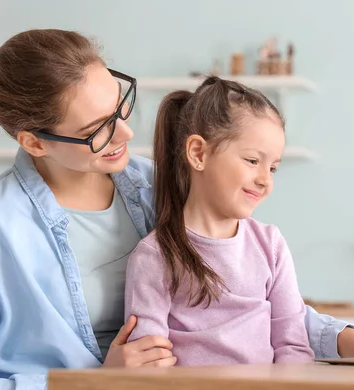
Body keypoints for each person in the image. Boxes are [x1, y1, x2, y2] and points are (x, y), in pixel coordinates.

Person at [0, 29, 354, 390]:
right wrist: (93, 382)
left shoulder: (153, 185)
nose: (127, 135)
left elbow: (239, 304)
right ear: (33, 142)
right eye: (98, 130)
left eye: (122, 107)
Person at [124, 77, 314, 365]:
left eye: (273, 167)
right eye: (252, 161)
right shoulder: (155, 255)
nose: (265, 180)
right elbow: (148, 360)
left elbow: (293, 345)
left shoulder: (270, 245)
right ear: (198, 153)